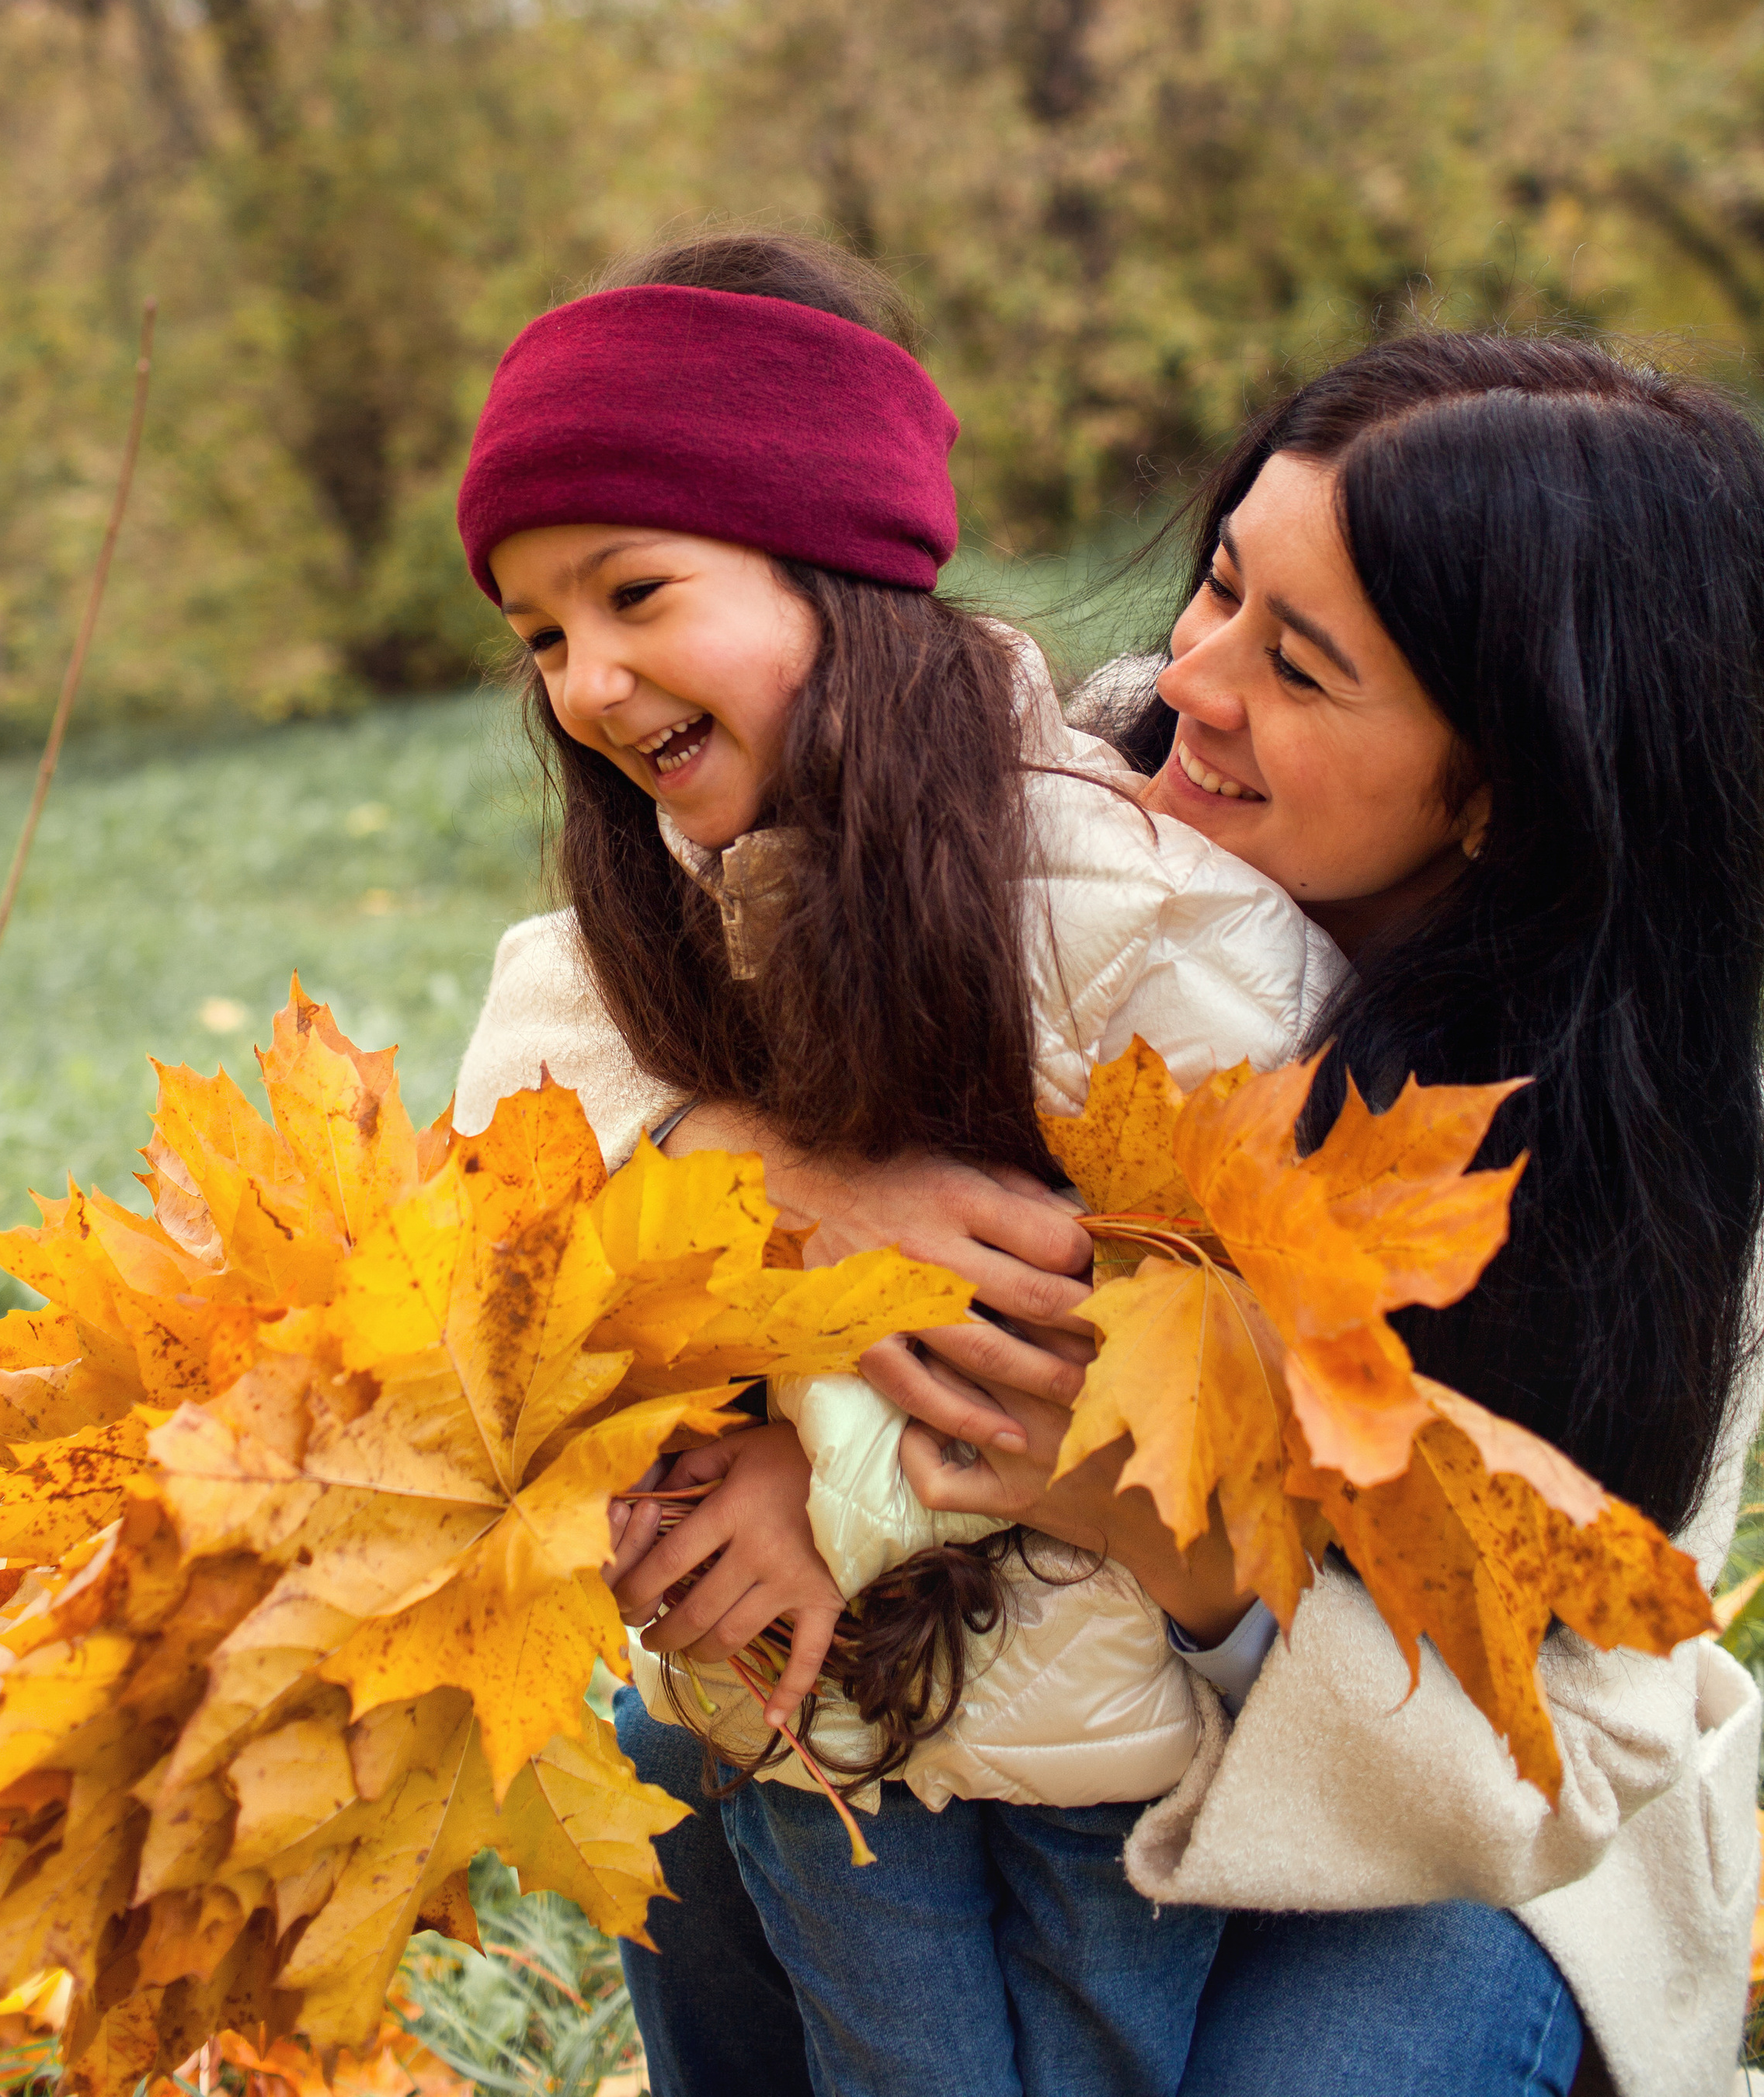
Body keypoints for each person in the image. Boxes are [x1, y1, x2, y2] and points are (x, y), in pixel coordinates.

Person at [461, 312, 1764, 2097]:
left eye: (1300, 668)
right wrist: (762, 1178)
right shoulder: (1078, 809)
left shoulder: (1640, 1182)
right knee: (700, 1763)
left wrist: (1146, 1512)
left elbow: (1547, 1756)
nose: (1193, 678)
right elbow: (562, 1004)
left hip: (1423, 1851)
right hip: (990, 1713)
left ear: (1504, 780)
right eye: (1217, 585)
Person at [448, 229, 1342, 2097]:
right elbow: (505, 1165)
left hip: (1096, 1728)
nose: (588, 681)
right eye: (540, 634)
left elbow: (1166, 1343)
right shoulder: (646, 922)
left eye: (634, 592)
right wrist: (717, 1163)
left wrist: (830, 1489)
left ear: (836, 561)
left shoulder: (1117, 910)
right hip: (806, 1720)